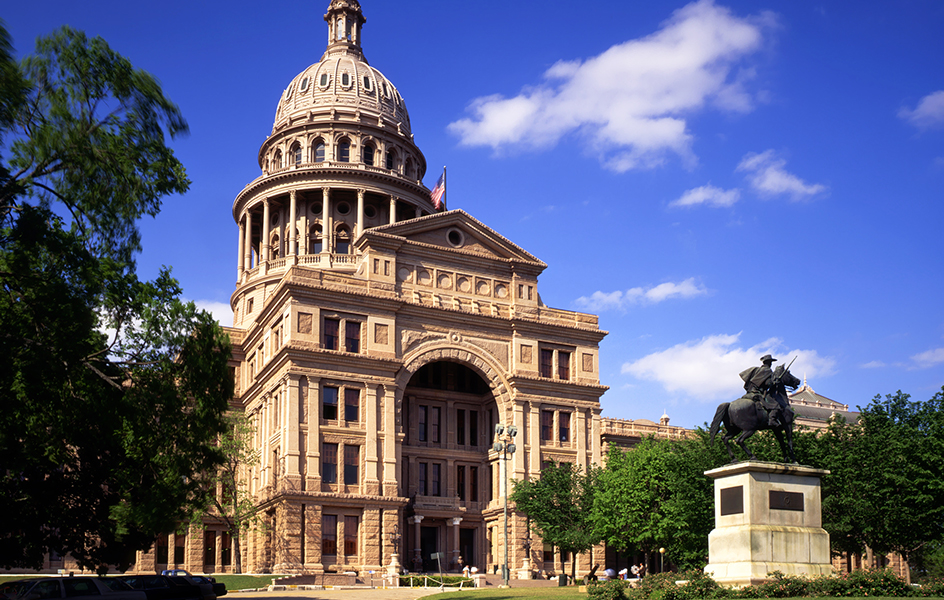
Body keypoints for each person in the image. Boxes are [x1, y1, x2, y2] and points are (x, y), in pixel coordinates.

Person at [740, 354, 782, 427]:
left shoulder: (756, 370)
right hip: (757, 393)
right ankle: (772, 420)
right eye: (771, 362)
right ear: (769, 363)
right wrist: (774, 382)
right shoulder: (768, 371)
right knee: (776, 405)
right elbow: (767, 383)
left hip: (749, 393)